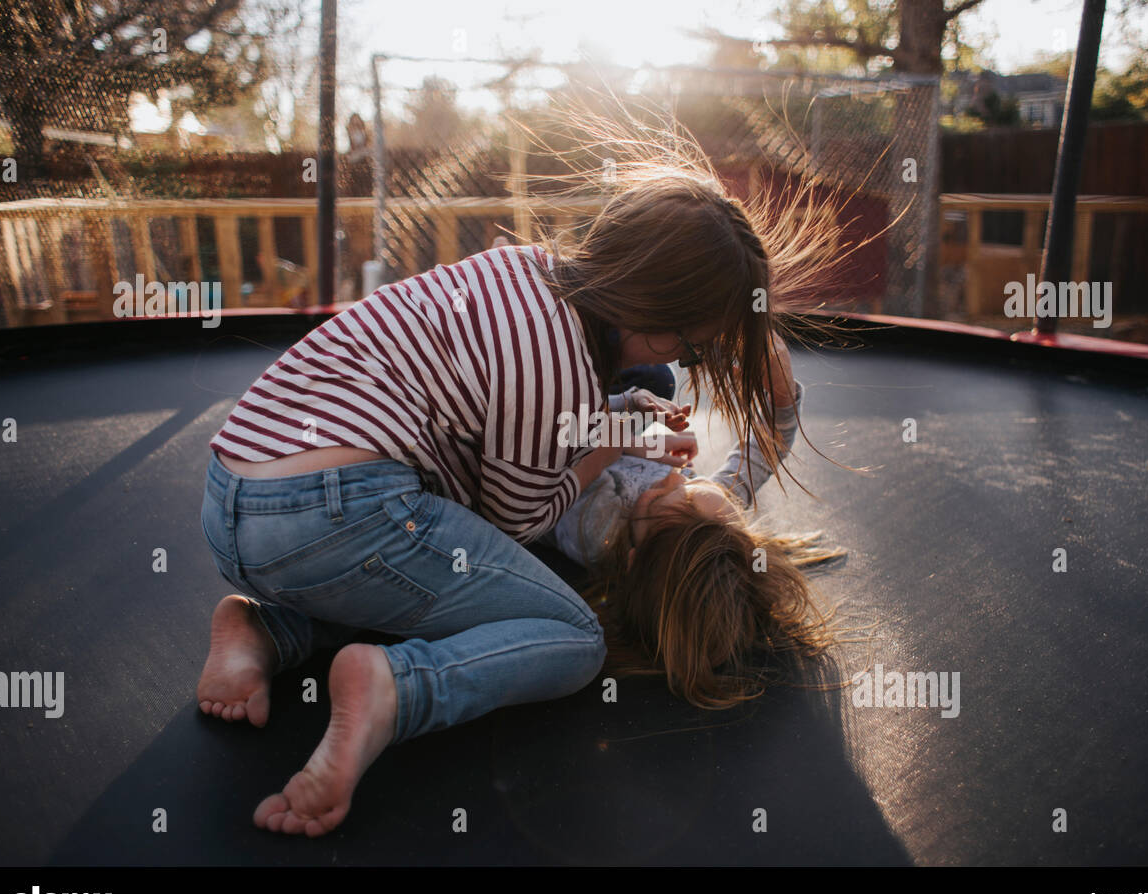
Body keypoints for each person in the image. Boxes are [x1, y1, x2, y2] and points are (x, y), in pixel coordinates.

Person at [198, 128, 843, 836]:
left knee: (446, 577)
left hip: (239, 494)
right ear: (655, 310)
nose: (680, 487)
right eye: (692, 346)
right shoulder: (561, 372)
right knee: (571, 638)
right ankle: (395, 689)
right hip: (331, 513)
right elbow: (519, 512)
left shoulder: (523, 269)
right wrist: (617, 431)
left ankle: (267, 629)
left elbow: (521, 481)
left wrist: (616, 426)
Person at [545, 331, 847, 709]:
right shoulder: (706, 519)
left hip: (567, 440)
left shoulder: (595, 528)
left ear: (635, 558)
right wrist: (780, 392)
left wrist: (626, 434)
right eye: (697, 484)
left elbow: (557, 443)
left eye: (664, 495)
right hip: (605, 428)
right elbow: (768, 445)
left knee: (645, 376)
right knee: (659, 381)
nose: (679, 475)